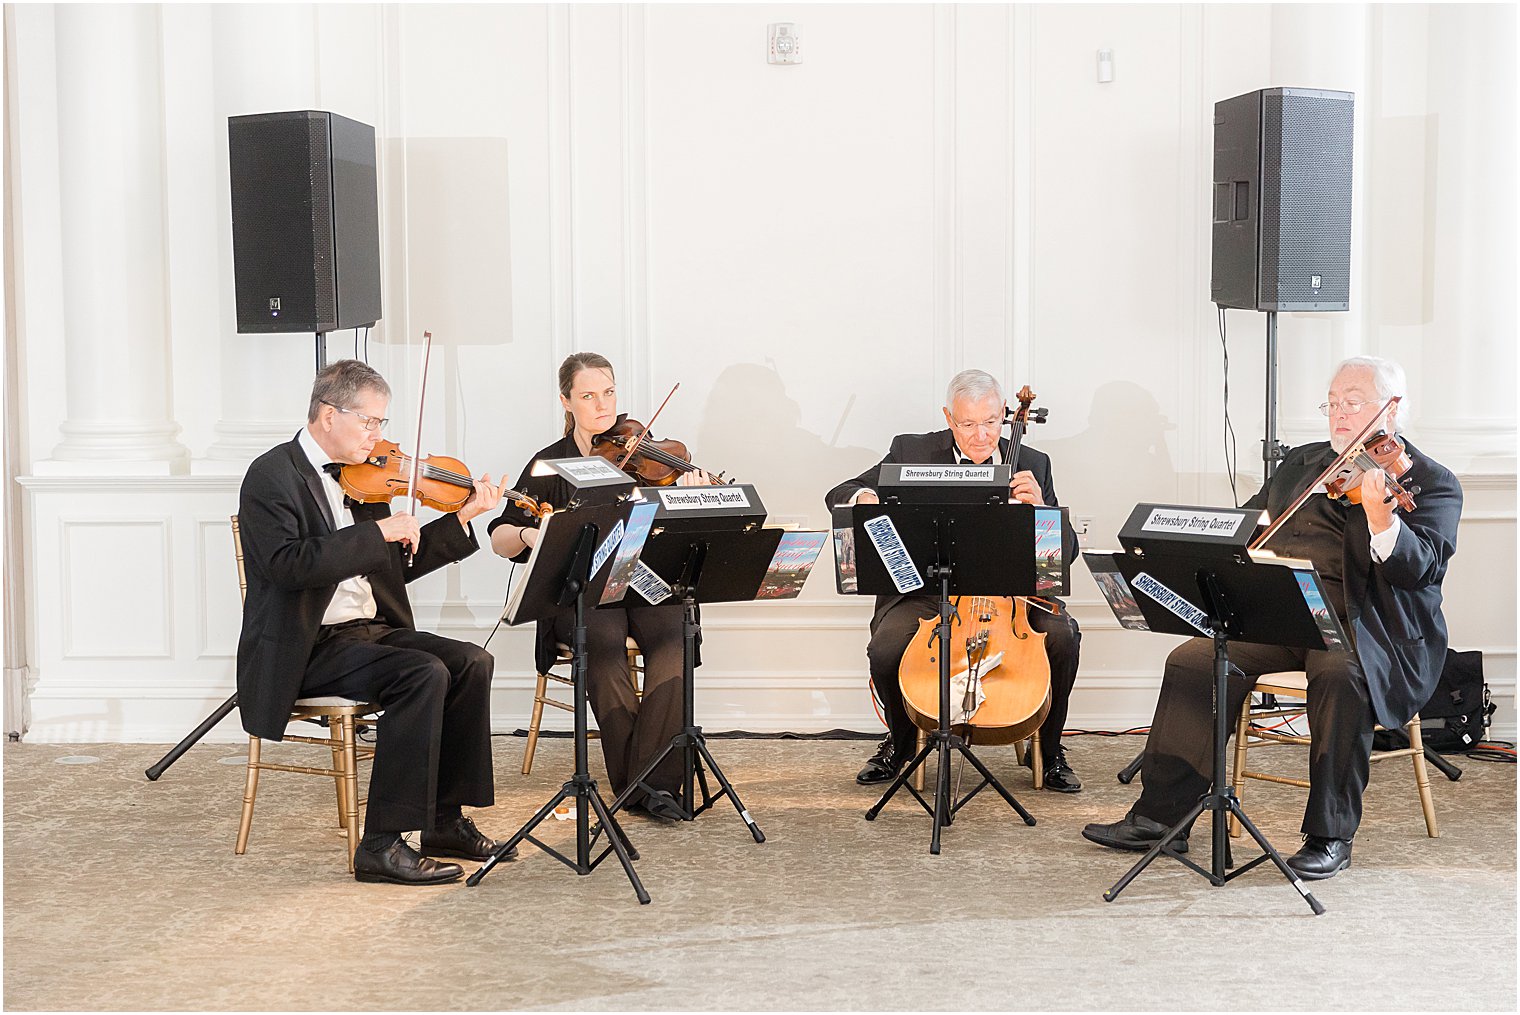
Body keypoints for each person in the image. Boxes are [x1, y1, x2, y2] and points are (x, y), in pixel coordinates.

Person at [1082, 356, 1461, 880]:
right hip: (1282, 609)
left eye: (1354, 403)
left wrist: (1380, 517)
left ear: (1391, 411)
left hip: (1365, 626)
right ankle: (1161, 820)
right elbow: (1249, 523)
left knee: (1341, 676)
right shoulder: (1302, 465)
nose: (1339, 414)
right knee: (1193, 661)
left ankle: (1329, 835)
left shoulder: (1431, 482)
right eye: (1332, 403)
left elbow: (1422, 569)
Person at [236, 359, 509, 885]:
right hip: (306, 646)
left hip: (368, 634)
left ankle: (443, 821)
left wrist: (463, 517)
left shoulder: (366, 480)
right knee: (423, 673)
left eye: (381, 423)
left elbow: (395, 564)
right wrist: (376, 534)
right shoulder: (271, 476)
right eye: (370, 422)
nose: (378, 435)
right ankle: (382, 844)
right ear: (327, 415)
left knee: (472, 661)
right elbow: (286, 567)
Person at [825, 369, 1085, 791]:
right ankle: (901, 742)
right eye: (968, 424)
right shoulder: (912, 450)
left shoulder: (1033, 464)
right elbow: (840, 491)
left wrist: (1040, 509)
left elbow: (1065, 554)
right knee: (886, 648)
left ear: (1004, 415)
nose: (981, 436)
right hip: (928, 591)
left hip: (1010, 597)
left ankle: (1051, 751)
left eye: (991, 422)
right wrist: (864, 498)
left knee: (1062, 636)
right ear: (949, 417)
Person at [489, 352, 712, 821]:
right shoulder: (550, 464)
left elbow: (682, 528)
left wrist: (691, 492)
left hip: (645, 582)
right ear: (567, 401)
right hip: (584, 591)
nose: (602, 404)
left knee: (676, 637)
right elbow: (500, 538)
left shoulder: (648, 454)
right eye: (588, 395)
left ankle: (645, 783)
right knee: (605, 647)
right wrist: (535, 534)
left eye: (608, 392)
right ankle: (649, 786)